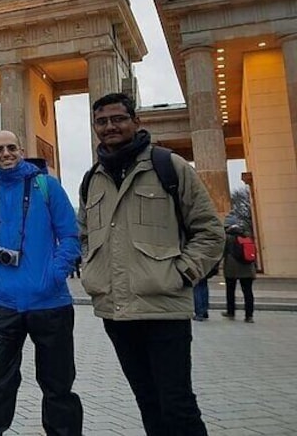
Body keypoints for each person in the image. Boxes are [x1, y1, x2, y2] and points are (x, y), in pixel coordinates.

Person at [78, 93, 223, 435]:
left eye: (118, 119)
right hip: (116, 312)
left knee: (178, 406)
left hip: (163, 308)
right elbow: (84, 235)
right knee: (148, 402)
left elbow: (210, 231)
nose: (110, 127)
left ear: (136, 121)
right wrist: (91, 270)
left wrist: (183, 273)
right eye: (102, 121)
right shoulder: (92, 178)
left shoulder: (169, 166)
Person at [0, 131, 83, 436]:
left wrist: (55, 274)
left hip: (51, 301)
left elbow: (70, 235)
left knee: (58, 384)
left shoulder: (47, 186)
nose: (5, 153)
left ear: (21, 150)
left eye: (11, 148)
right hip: (4, 301)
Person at [222, 224, 256, 323]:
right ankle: (249, 315)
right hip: (248, 269)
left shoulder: (227, 238)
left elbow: (222, 252)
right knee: (248, 292)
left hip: (231, 269)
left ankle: (231, 312)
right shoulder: (247, 237)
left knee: (230, 291)